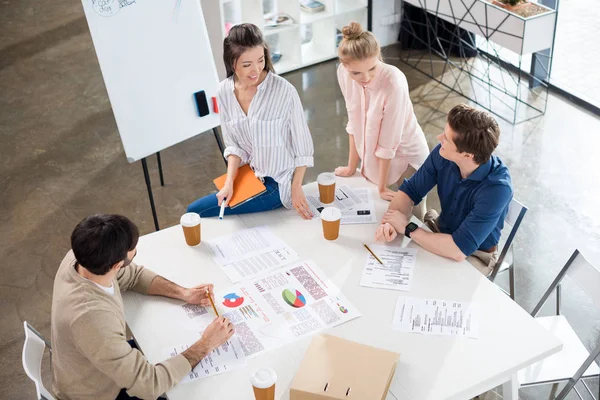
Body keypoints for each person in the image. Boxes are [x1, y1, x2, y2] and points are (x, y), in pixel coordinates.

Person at [51, 214, 234, 400]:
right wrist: (207, 343)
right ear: (116, 265)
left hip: (96, 365)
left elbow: (134, 276)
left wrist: (184, 293)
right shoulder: (92, 319)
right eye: (133, 251)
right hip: (99, 393)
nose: (135, 249)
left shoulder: (81, 258)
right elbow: (149, 385)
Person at [187, 23, 314, 219]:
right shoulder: (224, 91)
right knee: (199, 209)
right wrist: (229, 183)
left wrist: (295, 187)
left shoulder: (284, 91)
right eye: (247, 65)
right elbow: (234, 147)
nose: (256, 70)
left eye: (260, 60)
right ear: (232, 63)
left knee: (197, 211)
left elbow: (303, 148)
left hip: (277, 184)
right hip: (248, 176)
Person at [376, 104, 513, 276]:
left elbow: (458, 250)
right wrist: (390, 223)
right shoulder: (443, 154)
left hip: (474, 254)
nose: (440, 138)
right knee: (398, 271)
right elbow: (410, 191)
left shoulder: (497, 189)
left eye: (447, 138)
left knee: (427, 285)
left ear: (467, 155)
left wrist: (407, 227)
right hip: (440, 231)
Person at [334, 21, 429, 212]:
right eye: (356, 72)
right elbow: (354, 122)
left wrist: (382, 186)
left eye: (372, 68)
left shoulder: (394, 82)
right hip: (379, 155)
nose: (366, 78)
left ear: (378, 57)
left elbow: (388, 141)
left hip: (407, 155)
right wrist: (352, 167)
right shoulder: (343, 75)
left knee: (415, 215)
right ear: (344, 65)